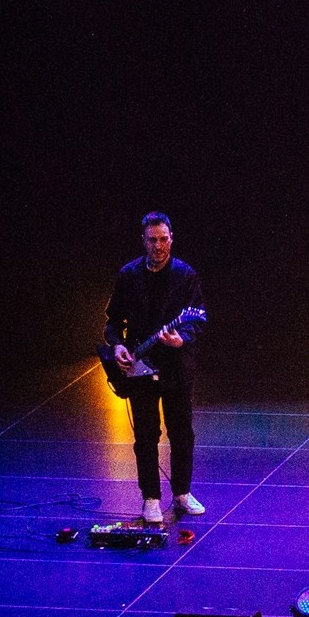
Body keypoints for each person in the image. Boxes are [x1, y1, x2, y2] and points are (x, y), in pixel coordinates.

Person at [99, 211, 206, 523]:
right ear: (143, 241)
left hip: (176, 367)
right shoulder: (128, 275)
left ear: (171, 238)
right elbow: (113, 323)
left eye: (163, 239)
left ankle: (182, 494)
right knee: (146, 435)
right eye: (152, 240)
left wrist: (181, 339)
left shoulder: (185, 275)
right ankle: (150, 499)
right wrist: (118, 345)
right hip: (139, 368)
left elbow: (198, 318)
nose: (158, 246)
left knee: (181, 433)